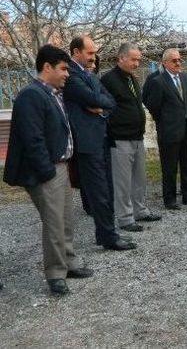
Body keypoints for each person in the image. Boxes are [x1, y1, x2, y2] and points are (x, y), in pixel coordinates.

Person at [3, 45, 93, 295]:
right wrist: (47, 172)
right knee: (54, 222)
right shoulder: (31, 95)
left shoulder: (53, 93)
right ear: (46, 67)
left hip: (59, 166)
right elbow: (33, 140)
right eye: (63, 69)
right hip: (46, 171)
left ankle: (69, 262)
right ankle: (55, 274)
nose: (67, 74)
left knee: (65, 218)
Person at [63, 35, 138, 249]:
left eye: (94, 53)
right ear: (76, 52)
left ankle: (108, 233)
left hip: (102, 138)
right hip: (88, 143)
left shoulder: (90, 75)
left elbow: (109, 100)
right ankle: (107, 237)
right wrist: (98, 103)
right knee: (98, 192)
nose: (93, 57)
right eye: (89, 53)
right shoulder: (71, 76)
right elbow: (95, 99)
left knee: (107, 188)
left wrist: (100, 106)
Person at [101, 43, 161, 229]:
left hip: (137, 136)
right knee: (123, 182)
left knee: (139, 179)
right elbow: (105, 108)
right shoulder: (108, 80)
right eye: (133, 59)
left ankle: (140, 211)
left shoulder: (131, 79)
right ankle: (126, 218)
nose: (137, 63)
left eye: (138, 60)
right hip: (120, 138)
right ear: (121, 58)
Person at [143, 48, 187, 208]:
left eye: (179, 60)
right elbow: (152, 105)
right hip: (169, 130)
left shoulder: (185, 78)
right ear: (165, 63)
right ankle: (169, 199)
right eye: (174, 60)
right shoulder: (158, 81)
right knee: (169, 167)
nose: (178, 63)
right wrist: (166, 119)